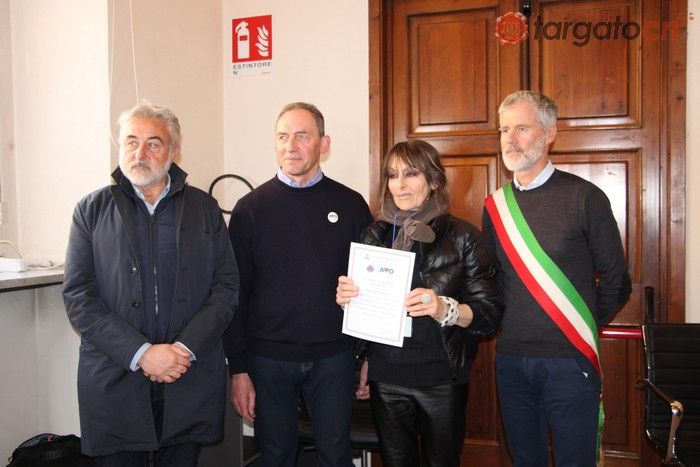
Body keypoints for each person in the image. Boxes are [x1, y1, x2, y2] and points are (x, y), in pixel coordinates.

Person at [63, 101, 239, 466]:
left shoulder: (204, 209)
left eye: (153, 143)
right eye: (131, 141)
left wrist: (184, 350)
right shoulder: (91, 210)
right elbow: (79, 297)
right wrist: (142, 353)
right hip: (116, 375)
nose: (139, 152)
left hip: (187, 374)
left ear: (174, 151)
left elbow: (225, 287)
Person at [482, 90, 632, 467]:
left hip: (570, 360)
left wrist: (580, 325)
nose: (510, 139)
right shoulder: (495, 206)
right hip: (511, 358)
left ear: (549, 133)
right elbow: (493, 280)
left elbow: (617, 279)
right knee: (524, 459)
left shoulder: (585, 197)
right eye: (504, 130)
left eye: (521, 128)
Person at [223, 102, 373, 467]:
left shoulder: (352, 205)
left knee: (336, 454)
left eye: (302, 136)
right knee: (275, 456)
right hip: (268, 360)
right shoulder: (249, 210)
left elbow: (369, 287)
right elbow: (234, 295)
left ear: (324, 144)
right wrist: (238, 369)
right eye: (283, 137)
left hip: (334, 357)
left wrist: (369, 355)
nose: (291, 146)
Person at [336, 139, 502, 467]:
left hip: (440, 378)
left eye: (411, 174)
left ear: (434, 180)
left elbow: (489, 314)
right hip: (387, 376)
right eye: (393, 175)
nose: (400, 184)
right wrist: (347, 300)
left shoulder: (463, 237)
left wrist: (443, 308)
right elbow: (367, 310)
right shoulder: (374, 235)